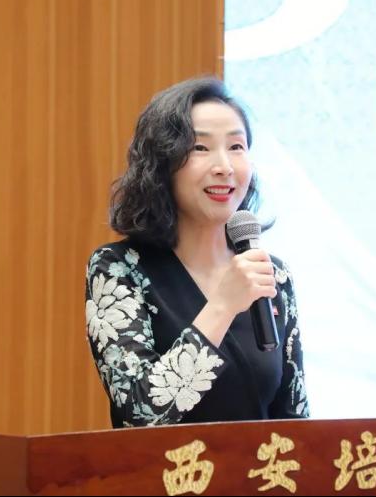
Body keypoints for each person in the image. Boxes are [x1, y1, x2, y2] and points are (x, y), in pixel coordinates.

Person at [85, 77, 309, 427]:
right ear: (162, 164)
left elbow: (295, 419)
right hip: (168, 464)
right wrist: (223, 305)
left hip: (261, 464)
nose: (225, 166)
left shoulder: (271, 275)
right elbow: (142, 413)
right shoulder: (118, 269)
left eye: (236, 146)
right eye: (201, 148)